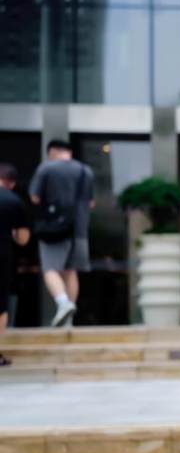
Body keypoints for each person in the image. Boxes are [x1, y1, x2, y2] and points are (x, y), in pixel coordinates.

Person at [29, 139, 95, 327]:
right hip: (79, 230)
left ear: (52, 152)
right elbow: (91, 203)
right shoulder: (86, 171)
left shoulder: (47, 168)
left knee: (50, 269)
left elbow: (34, 197)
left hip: (55, 228)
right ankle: (69, 321)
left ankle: (63, 303)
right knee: (70, 271)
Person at [0, 164, 32, 366]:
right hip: (1, 256)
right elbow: (23, 239)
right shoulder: (13, 201)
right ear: (11, 183)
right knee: (0, 307)